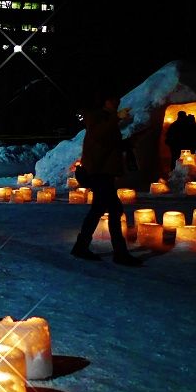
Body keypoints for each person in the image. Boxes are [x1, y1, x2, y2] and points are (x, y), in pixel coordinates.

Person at [71, 90, 142, 266]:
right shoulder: (97, 117)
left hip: (105, 173)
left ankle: (82, 247)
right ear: (104, 101)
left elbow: (108, 145)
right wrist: (116, 118)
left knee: (101, 210)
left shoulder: (107, 118)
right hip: (98, 173)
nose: (117, 101)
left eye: (117, 98)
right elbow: (100, 135)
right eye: (113, 99)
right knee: (113, 210)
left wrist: (129, 142)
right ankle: (119, 253)